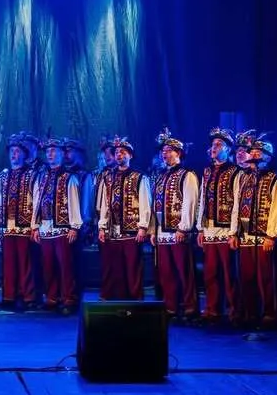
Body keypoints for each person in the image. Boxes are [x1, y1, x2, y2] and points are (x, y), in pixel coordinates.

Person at [229, 133, 277, 329]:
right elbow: (237, 206)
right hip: (246, 236)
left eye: (258, 153)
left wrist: (271, 235)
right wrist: (234, 232)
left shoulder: (276, 180)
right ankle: (250, 312)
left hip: (264, 238)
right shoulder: (243, 178)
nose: (253, 156)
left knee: (266, 278)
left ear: (267, 157)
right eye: (252, 152)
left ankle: (270, 314)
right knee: (246, 277)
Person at [149, 127, 199, 322]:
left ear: (178, 153)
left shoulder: (187, 175)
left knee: (184, 272)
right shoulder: (160, 176)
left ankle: (189, 308)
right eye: (163, 151)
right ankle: (170, 307)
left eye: (169, 150)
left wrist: (183, 227)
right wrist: (154, 229)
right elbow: (155, 204)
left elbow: (190, 202)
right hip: (162, 233)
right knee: (166, 273)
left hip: (178, 232)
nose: (165, 153)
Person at [31, 138, 84, 315]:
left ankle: (69, 297)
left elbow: (74, 202)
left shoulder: (69, 177)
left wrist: (74, 226)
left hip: (62, 228)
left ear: (62, 154)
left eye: (54, 151)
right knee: (48, 265)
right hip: (45, 227)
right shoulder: (42, 176)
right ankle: (52, 297)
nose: (50, 154)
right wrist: (35, 225)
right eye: (48, 152)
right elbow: (37, 202)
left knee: (65, 266)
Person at [96, 136, 151, 300]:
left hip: (132, 230)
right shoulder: (108, 177)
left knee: (133, 267)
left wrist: (142, 226)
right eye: (117, 152)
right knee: (116, 267)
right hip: (113, 230)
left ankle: (135, 300)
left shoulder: (139, 177)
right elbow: (105, 204)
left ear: (130, 155)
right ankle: (119, 301)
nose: (119, 155)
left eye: (123, 152)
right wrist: (102, 226)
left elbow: (145, 202)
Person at [0, 135, 38, 310]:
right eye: (12, 152)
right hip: (8, 225)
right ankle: (9, 295)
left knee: (25, 263)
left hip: (25, 226)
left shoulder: (31, 175)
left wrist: (34, 225)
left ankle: (28, 296)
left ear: (24, 155)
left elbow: (36, 200)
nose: (14, 155)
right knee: (8, 262)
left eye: (17, 152)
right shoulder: (4, 176)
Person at [196, 127, 241, 325]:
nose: (214, 148)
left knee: (229, 273)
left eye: (218, 145)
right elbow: (202, 200)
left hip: (226, 229)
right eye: (213, 145)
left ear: (228, 149)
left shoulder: (235, 172)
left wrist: (233, 232)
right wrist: (200, 227)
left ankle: (234, 311)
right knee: (210, 272)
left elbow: (237, 203)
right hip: (210, 228)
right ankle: (213, 309)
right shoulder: (207, 171)